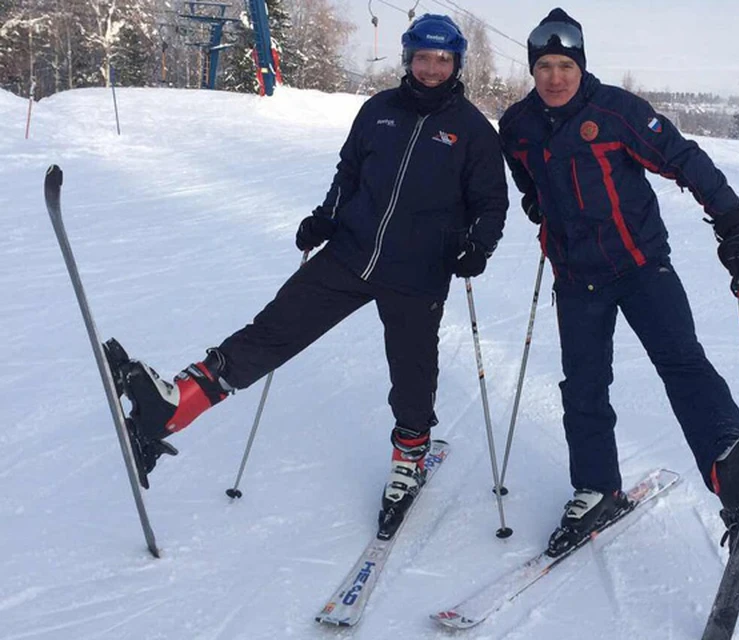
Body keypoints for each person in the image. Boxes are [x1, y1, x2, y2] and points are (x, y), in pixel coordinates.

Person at [108, 14, 508, 541]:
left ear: (456, 63)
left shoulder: (474, 131)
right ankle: (173, 406)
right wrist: (326, 216)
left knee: (412, 370)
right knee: (274, 329)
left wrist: (479, 244)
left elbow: (491, 202)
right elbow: (349, 173)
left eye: (443, 60)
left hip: (417, 272)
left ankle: (410, 456)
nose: (432, 69)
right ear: (407, 58)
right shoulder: (378, 112)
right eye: (422, 57)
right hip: (350, 253)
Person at [498, 8, 739, 556]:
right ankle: (597, 487)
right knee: (584, 387)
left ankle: (730, 465)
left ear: (581, 66)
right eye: (544, 66)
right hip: (575, 278)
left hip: (642, 266)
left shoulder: (616, 111)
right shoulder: (517, 124)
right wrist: (536, 198)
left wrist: (732, 221)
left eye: (564, 66)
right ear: (532, 69)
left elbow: (682, 159)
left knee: (682, 362)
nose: (555, 77)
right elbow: (524, 172)